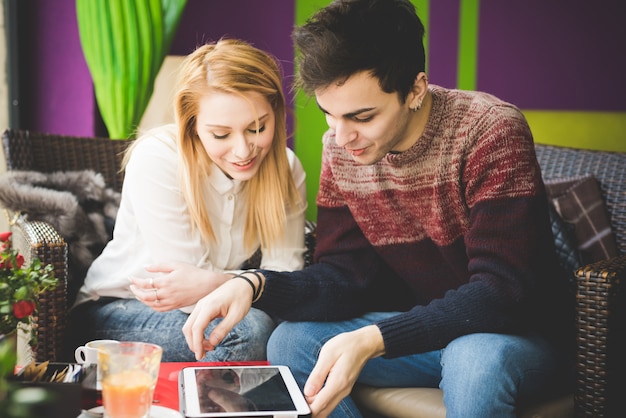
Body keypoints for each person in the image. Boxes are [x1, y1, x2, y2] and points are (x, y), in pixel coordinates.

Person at [183, 1, 574, 416]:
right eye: (329, 115)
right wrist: (253, 284)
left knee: (472, 359)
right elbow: (344, 276)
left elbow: (502, 293)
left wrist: (374, 338)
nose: (343, 137)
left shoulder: (489, 131)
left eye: (362, 116)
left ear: (416, 90)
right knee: (291, 341)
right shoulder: (341, 146)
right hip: (424, 335)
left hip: (513, 337)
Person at [66, 38, 307, 363]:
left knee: (293, 333)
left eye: (257, 128)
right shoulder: (159, 158)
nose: (242, 150)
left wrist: (217, 281)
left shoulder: (287, 168)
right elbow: (184, 292)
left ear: (276, 113)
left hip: (219, 304)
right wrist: (253, 285)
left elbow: (287, 278)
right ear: (192, 125)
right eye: (221, 134)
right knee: (248, 333)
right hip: (113, 310)